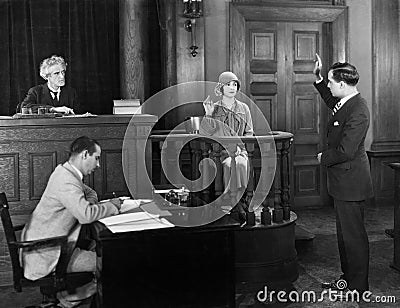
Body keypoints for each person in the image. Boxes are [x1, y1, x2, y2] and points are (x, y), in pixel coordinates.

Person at [20, 136, 122, 307]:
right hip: (48, 254)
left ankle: (69, 298)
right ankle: (67, 302)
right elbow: (85, 215)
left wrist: (85, 205)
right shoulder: (67, 180)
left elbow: (91, 196)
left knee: (104, 252)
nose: (98, 165)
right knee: (114, 261)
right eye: (96, 158)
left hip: (49, 248)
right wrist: (112, 206)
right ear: (84, 155)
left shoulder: (65, 172)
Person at [313, 53, 373, 292]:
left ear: (341, 84)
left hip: (352, 182)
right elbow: (331, 101)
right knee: (345, 238)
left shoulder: (358, 110)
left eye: (329, 81)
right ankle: (348, 280)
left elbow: (346, 151)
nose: (328, 86)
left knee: (353, 238)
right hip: (344, 183)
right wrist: (318, 78)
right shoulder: (346, 102)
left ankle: (358, 287)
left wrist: (322, 158)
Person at [200, 71, 254, 220]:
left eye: (235, 84)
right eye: (228, 84)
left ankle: (237, 201)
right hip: (221, 153)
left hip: (240, 151)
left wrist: (241, 148)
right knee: (230, 165)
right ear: (221, 88)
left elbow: (249, 133)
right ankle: (234, 203)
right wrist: (209, 114)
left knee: (242, 165)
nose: (232, 87)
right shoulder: (214, 108)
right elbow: (205, 133)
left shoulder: (244, 108)